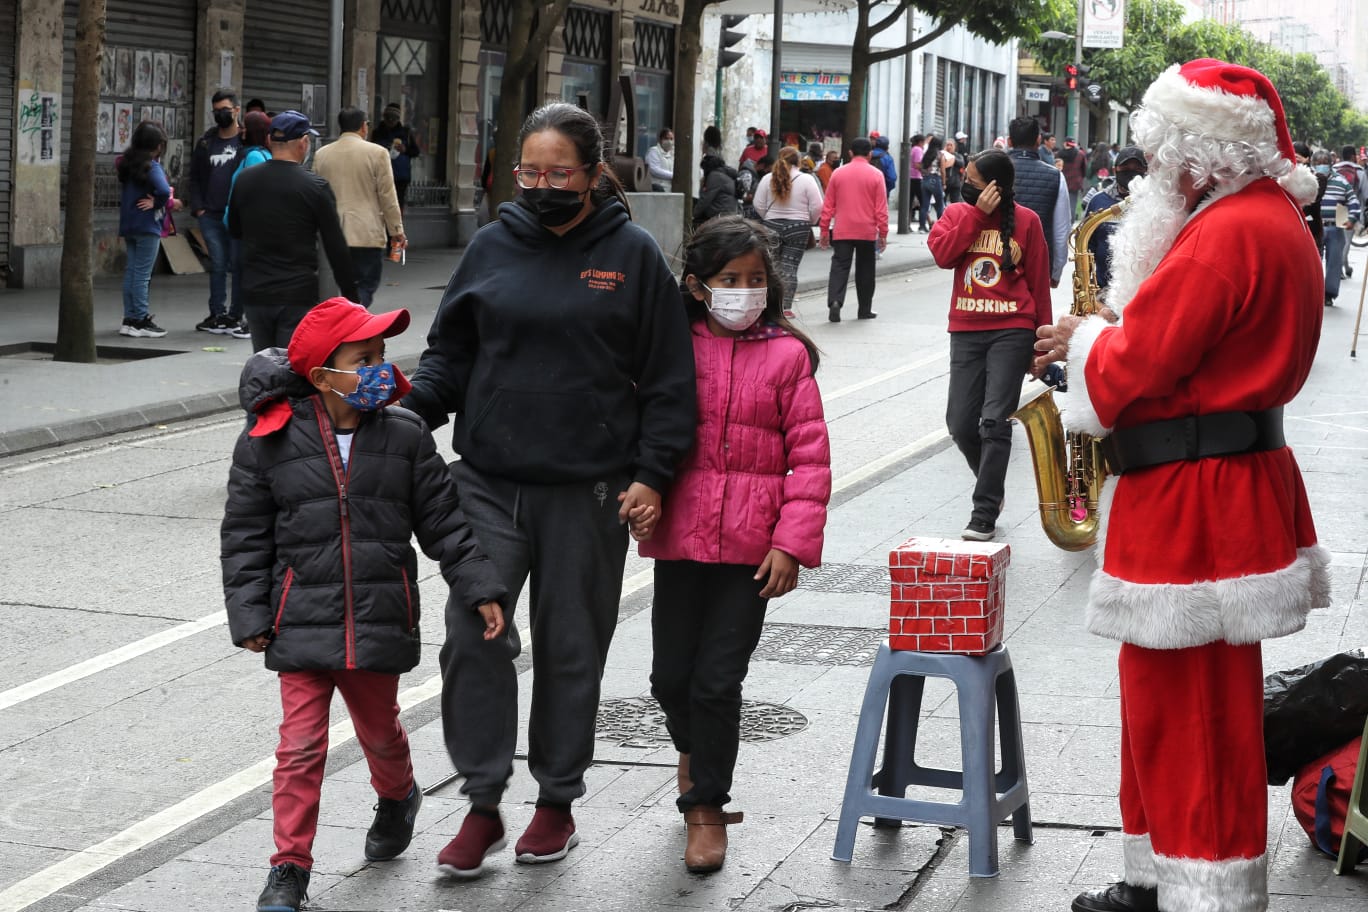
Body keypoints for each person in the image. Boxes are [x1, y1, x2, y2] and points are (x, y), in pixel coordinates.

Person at [1030, 59, 1329, 912]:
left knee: (1192, 711)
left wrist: (1086, 340)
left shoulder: (1227, 234)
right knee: (1167, 704)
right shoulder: (1268, 223)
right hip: (1216, 482)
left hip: (1199, 493)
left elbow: (1138, 365)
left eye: (1168, 151)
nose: (1160, 169)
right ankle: (1160, 876)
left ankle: (1203, 893)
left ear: (1207, 150)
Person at [400, 102, 697, 880]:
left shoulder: (632, 256)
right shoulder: (492, 245)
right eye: (527, 172)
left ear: (594, 174)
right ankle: (483, 803)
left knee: (571, 651)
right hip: (488, 483)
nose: (540, 185)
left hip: (588, 492)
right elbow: (448, 358)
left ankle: (556, 800)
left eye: (556, 173)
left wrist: (651, 473)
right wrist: (402, 415)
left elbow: (670, 383)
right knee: (474, 635)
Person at [222, 298, 508, 912]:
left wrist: (479, 584)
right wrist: (249, 613)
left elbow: (445, 524)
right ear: (324, 376)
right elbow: (245, 533)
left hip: (378, 616)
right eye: (364, 359)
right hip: (297, 622)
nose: (381, 369)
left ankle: (398, 795)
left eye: (382, 356)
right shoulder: (269, 438)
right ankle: (289, 869)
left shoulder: (404, 434)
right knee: (299, 748)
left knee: (380, 734)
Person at [642, 215, 830, 874]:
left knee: (718, 681)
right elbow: (648, 432)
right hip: (681, 543)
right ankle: (693, 751)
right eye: (729, 280)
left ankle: (706, 806)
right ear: (697, 286)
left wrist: (792, 543)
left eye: (755, 281)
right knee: (671, 678)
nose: (743, 293)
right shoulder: (672, 349)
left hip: (752, 552)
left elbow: (810, 460)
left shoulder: (787, 356)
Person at [928, 149, 1051, 541]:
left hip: (1012, 329)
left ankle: (983, 511)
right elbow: (943, 255)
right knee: (961, 424)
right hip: (965, 329)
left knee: (994, 422)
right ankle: (990, 484)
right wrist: (978, 215)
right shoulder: (956, 215)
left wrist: (1041, 346)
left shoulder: (1027, 222)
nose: (965, 184)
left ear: (996, 188)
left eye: (973, 180)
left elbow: (1038, 283)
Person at [228, 110, 358, 351]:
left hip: (256, 292)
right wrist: (352, 298)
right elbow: (335, 247)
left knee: (265, 365)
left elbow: (234, 229)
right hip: (296, 294)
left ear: (269, 141)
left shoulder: (244, 180)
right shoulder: (315, 187)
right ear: (303, 142)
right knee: (292, 364)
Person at [313, 107, 407, 309]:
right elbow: (387, 196)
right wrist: (396, 231)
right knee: (366, 283)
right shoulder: (378, 153)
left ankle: (347, 316)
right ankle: (351, 319)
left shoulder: (322, 155)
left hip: (333, 232)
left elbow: (315, 194)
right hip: (367, 231)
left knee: (344, 285)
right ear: (364, 126)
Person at [189, 90, 244, 335]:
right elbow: (195, 177)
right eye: (216, 111)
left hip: (236, 215)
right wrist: (199, 207)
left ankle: (236, 314)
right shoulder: (206, 142)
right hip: (210, 214)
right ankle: (217, 312)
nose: (221, 115)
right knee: (218, 263)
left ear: (237, 110)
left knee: (237, 264)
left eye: (225, 109)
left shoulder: (245, 141)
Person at [818, 136, 887, 322]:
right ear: (870, 154)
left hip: (842, 230)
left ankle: (835, 301)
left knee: (839, 266)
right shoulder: (876, 175)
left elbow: (828, 205)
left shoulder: (838, 173)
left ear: (850, 153)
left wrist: (824, 230)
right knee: (866, 269)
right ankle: (864, 309)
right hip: (866, 230)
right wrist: (883, 233)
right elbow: (881, 208)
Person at [753, 146, 824, 317]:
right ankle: (785, 307)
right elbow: (818, 205)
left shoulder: (767, 179)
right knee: (789, 267)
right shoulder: (807, 180)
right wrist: (809, 221)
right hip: (797, 228)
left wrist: (768, 218)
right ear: (798, 161)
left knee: (771, 268)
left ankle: (769, 306)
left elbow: (758, 204)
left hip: (771, 226)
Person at [117, 122, 172, 338]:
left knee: (132, 272)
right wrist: (157, 203)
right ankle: (140, 319)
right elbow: (164, 190)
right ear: (158, 146)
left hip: (129, 224)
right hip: (148, 226)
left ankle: (129, 319)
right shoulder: (152, 167)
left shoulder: (127, 164)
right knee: (142, 275)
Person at [1007, 116, 1070, 288]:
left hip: (995, 259)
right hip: (1039, 263)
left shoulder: (991, 170)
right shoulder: (1055, 176)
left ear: (1009, 141)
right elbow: (1061, 229)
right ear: (1039, 140)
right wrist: (1056, 270)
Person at [1083, 145, 1146, 292]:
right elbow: (1087, 243)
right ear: (1114, 169)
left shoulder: (1156, 201)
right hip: (1103, 289)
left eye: (1137, 169)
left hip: (1141, 289)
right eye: (1125, 167)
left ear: (1146, 171)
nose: (1131, 172)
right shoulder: (1098, 199)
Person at [1317, 149, 1360, 306]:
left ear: (1331, 164)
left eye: (1324, 163)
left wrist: (1352, 218)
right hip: (1315, 228)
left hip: (1335, 226)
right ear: (1313, 164)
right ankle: (1313, 291)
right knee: (1314, 261)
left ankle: (1329, 294)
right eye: (1318, 164)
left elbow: (1353, 201)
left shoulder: (1341, 181)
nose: (1321, 166)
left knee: (1334, 262)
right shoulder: (1309, 180)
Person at [369, 102, 420, 212]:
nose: (391, 121)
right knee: (381, 206)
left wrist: (405, 150)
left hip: (400, 177)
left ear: (398, 119)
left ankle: (396, 228)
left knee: (397, 206)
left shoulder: (406, 133)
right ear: (385, 117)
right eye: (388, 118)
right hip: (381, 175)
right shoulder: (377, 132)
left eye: (394, 118)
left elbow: (416, 151)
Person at [695, 154, 740, 225]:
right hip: (730, 211)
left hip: (720, 214)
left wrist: (694, 214)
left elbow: (706, 198)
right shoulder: (725, 173)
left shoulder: (715, 176)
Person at [918, 135, 946, 232]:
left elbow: (920, 167)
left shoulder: (926, 154)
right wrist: (944, 183)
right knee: (939, 205)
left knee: (925, 205)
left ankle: (922, 227)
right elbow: (942, 170)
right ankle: (941, 227)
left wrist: (925, 174)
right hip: (935, 180)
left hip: (925, 180)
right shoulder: (940, 155)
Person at [1057, 138, 1088, 219]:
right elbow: (1084, 169)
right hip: (1074, 183)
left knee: (1060, 203)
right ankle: (1071, 222)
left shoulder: (1058, 154)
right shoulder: (1080, 154)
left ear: (1065, 144)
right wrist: (1080, 178)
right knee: (1072, 204)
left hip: (1060, 181)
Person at [646, 127, 675, 192]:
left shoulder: (672, 154)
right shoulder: (654, 151)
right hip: (657, 188)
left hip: (670, 190)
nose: (669, 141)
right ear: (660, 139)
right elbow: (654, 170)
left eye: (671, 139)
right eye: (666, 138)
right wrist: (673, 175)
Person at [907, 134, 925, 223]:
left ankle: (907, 222)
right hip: (916, 178)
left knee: (910, 201)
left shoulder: (913, 149)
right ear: (921, 142)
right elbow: (917, 164)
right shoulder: (918, 149)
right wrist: (924, 172)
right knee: (923, 201)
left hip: (911, 177)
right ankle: (925, 223)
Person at [942, 138, 964, 204]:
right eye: (947, 145)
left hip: (955, 183)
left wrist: (952, 157)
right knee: (942, 202)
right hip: (945, 182)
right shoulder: (942, 155)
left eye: (951, 145)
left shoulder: (958, 156)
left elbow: (961, 164)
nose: (949, 147)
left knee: (955, 203)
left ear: (954, 146)